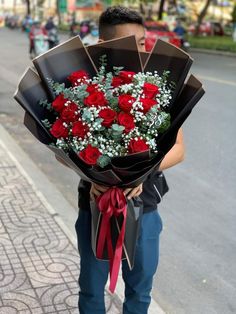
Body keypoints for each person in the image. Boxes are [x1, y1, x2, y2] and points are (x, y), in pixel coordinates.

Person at [57, 6, 184, 314]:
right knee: (90, 290)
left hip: (145, 209)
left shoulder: (158, 90)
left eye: (142, 43)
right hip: (94, 208)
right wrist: (91, 177)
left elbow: (178, 149)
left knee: (140, 292)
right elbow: (63, 148)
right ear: (103, 46)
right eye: (130, 44)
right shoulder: (83, 89)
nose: (139, 51)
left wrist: (141, 174)